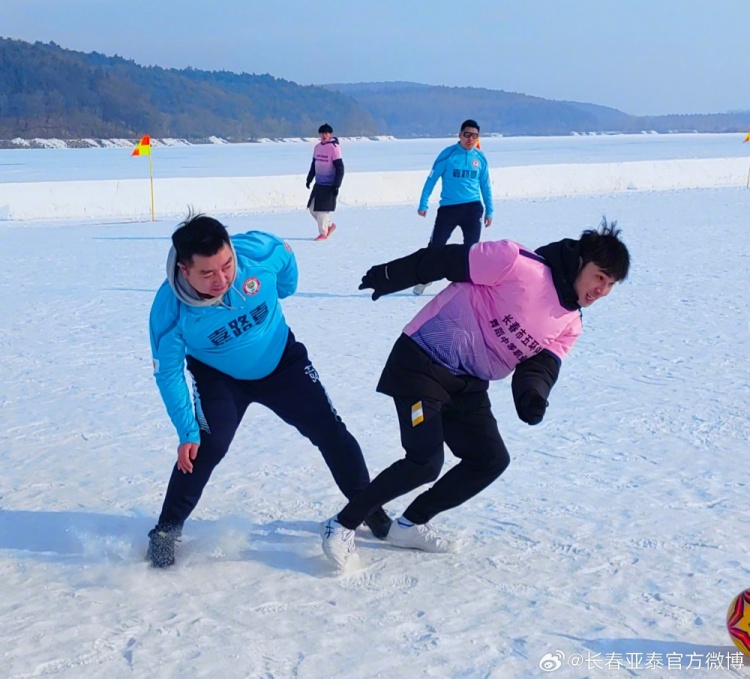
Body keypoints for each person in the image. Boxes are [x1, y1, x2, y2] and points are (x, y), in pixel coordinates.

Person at [320, 219, 630, 568]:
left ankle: (409, 524)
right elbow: (443, 260)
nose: (602, 290)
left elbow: (539, 367)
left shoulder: (571, 323)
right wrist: (392, 275)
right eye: (599, 277)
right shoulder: (515, 262)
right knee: (424, 461)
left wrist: (532, 396)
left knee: (490, 459)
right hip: (423, 361)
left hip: (467, 384)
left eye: (611, 285)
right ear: (580, 262)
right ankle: (341, 525)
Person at [147, 213, 391, 568]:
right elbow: (168, 373)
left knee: (330, 431)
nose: (222, 279)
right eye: (207, 273)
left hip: (282, 363)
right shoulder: (169, 311)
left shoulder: (258, 253)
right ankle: (167, 529)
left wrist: (285, 287)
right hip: (220, 378)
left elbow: (286, 257)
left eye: (227, 266)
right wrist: (186, 430)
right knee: (203, 446)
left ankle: (367, 507)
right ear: (185, 270)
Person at [413, 119, 494, 295]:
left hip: (473, 208)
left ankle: (467, 283)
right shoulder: (448, 155)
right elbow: (431, 179)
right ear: (460, 135)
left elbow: (486, 185)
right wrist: (423, 203)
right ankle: (425, 278)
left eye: (474, 136)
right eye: (467, 135)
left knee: (471, 249)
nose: (470, 139)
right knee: (436, 246)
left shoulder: (480, 158)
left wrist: (490, 210)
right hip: (449, 209)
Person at [306, 123, 344, 241]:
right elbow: (314, 164)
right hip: (319, 184)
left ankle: (323, 233)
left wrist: (337, 184)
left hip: (329, 184)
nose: (324, 135)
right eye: (322, 133)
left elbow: (340, 168)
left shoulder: (334, 148)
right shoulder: (317, 147)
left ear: (330, 134)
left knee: (322, 210)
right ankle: (329, 225)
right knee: (312, 208)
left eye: (326, 133)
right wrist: (309, 178)